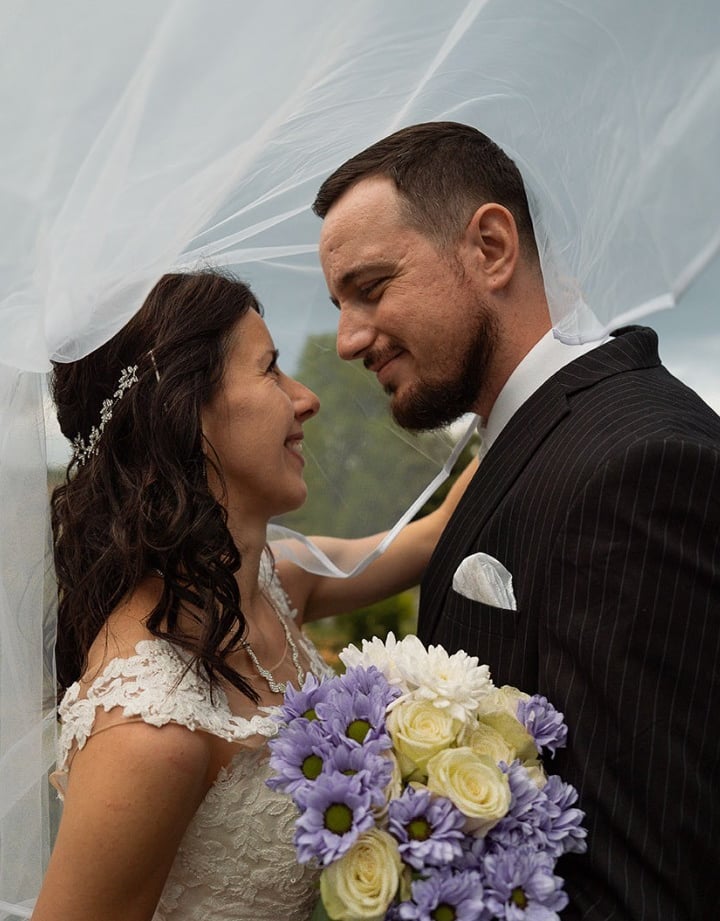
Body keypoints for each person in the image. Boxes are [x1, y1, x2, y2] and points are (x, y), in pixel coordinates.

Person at [313, 121, 720, 920]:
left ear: (491, 247)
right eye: (337, 304)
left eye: (370, 287)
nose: (347, 339)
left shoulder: (635, 467)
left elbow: (648, 883)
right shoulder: (530, 443)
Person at [31, 269, 477, 921]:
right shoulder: (152, 729)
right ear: (187, 413)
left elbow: (432, 536)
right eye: (271, 370)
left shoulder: (275, 581)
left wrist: (525, 380)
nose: (306, 398)